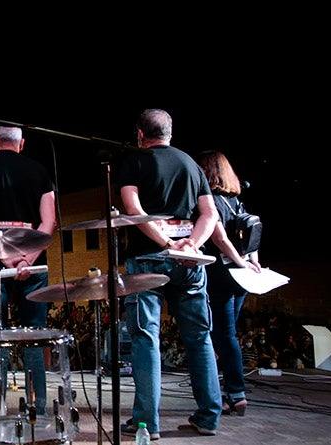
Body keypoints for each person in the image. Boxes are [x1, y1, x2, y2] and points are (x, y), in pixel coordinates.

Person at [116, 109, 222, 439]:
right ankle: (208, 418)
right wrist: (190, 244)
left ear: (140, 134)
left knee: (146, 338)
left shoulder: (134, 160)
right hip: (189, 262)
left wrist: (165, 241)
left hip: (147, 257)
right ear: (170, 133)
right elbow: (210, 214)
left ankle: (147, 423)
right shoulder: (191, 164)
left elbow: (133, 209)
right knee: (199, 337)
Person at [0, 125, 56, 416]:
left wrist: (5, 256)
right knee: (34, 335)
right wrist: (27, 259)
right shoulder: (40, 171)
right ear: (22, 144)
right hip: (34, 256)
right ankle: (38, 407)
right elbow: (48, 223)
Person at [196, 150, 261, 417]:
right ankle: (231, 393)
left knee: (222, 335)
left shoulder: (212, 202)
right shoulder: (236, 202)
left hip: (223, 275)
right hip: (241, 277)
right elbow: (252, 234)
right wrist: (251, 260)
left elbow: (220, 238)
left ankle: (235, 392)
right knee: (226, 335)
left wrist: (238, 261)